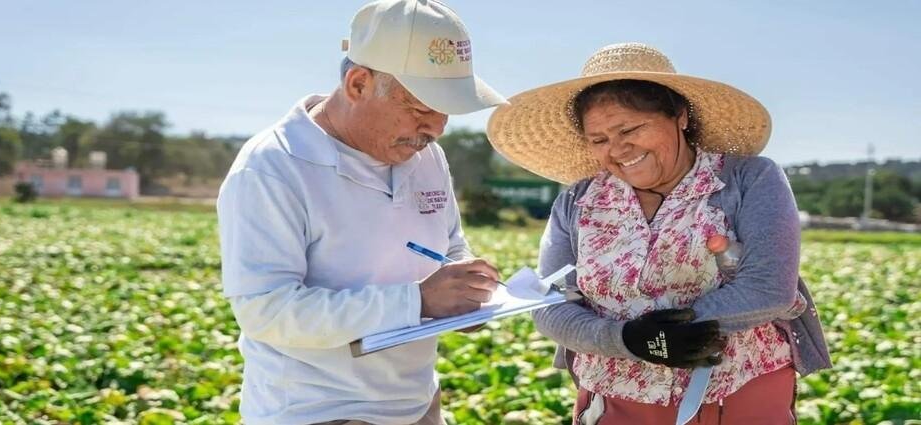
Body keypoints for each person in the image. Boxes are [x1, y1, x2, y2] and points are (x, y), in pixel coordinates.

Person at [487, 43, 831, 424]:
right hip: (616, 399)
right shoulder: (578, 201)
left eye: (630, 129)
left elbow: (769, 288)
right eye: (599, 140)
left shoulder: (749, 179)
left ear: (680, 116)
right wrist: (629, 339)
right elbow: (550, 303)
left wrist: (677, 330)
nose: (617, 150)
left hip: (737, 393)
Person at [216, 1, 507, 423]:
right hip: (316, 411)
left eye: (446, 111)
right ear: (358, 84)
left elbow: (449, 246)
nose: (437, 128)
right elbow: (268, 310)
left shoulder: (427, 156)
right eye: (422, 107)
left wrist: (466, 288)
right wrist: (420, 299)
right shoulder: (273, 167)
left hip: (418, 404)